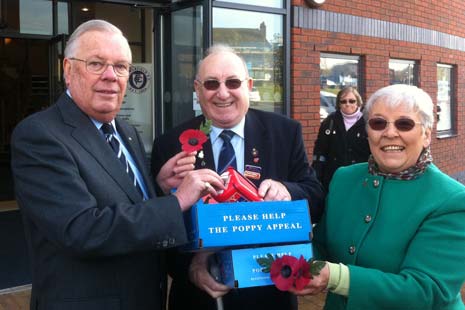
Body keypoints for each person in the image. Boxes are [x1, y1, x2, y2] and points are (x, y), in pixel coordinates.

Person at [10, 20, 224, 310]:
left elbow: (126, 203)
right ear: (68, 70)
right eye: (97, 63)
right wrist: (178, 201)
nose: (111, 76)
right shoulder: (40, 135)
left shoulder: (126, 132)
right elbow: (82, 229)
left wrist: (158, 188)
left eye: (121, 66)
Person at [151, 44, 325, 310]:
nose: (223, 93)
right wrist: (190, 268)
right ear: (197, 89)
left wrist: (287, 191)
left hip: (269, 294)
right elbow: (157, 227)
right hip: (198, 299)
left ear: (249, 85)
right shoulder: (170, 144)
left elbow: (314, 196)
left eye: (233, 82)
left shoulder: (285, 132)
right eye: (211, 84)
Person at [292, 84, 465, 309]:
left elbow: (427, 290)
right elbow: (322, 243)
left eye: (405, 124)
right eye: (378, 123)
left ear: (426, 135)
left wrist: (336, 277)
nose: (390, 133)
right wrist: (291, 259)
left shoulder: (451, 199)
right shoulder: (344, 178)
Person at [312, 86, 371, 190]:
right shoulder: (330, 122)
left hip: (361, 178)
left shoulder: (368, 123)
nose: (347, 104)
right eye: (343, 101)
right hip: (334, 177)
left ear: (358, 102)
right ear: (339, 104)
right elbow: (320, 151)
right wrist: (316, 175)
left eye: (352, 101)